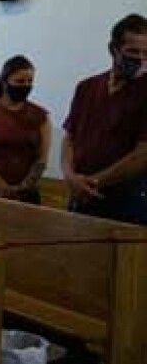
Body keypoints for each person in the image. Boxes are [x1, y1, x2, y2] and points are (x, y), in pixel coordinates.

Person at [61, 14, 147, 225]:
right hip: (80, 196)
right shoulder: (87, 88)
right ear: (113, 49)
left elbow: (142, 154)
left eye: (146, 53)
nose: (140, 60)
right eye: (133, 52)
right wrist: (70, 175)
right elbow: (70, 137)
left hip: (127, 201)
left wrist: (95, 181)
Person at [0, 55, 51, 203]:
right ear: (4, 82)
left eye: (29, 81)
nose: (25, 85)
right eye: (20, 81)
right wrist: (3, 188)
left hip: (25, 193)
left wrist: (23, 187)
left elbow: (41, 158)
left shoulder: (40, 116)